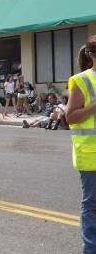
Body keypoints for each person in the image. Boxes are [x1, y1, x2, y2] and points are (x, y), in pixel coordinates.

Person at [65, 40, 96, 253]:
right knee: (92, 206)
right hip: (91, 155)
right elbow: (71, 117)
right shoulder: (82, 80)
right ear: (92, 54)